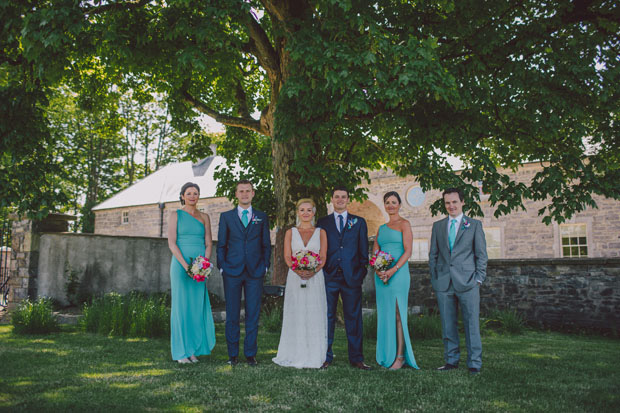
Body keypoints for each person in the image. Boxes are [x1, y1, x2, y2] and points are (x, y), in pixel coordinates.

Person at [429, 187, 488, 375]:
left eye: (454, 202)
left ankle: (474, 363)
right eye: (447, 203)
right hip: (444, 283)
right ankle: (451, 360)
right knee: (447, 324)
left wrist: (479, 279)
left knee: (472, 324)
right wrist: (435, 278)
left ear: (462, 202)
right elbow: (433, 255)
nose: (451, 206)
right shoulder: (438, 226)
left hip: (468, 282)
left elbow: (481, 255)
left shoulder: (474, 225)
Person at [217, 179, 271, 366]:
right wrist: (222, 266)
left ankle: (250, 354)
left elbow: (266, 244)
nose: (245, 194)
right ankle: (232, 355)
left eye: (248, 191)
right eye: (241, 191)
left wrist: (265, 266)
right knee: (232, 314)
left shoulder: (261, 217)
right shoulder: (226, 217)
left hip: (255, 271)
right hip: (232, 271)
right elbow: (221, 244)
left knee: (253, 314)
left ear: (253, 193)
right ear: (236, 194)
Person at [317, 186, 371, 370]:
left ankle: (356, 358)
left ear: (348, 199)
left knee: (354, 318)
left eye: (343, 197)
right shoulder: (322, 222)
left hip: (351, 278)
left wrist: (360, 273)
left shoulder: (359, 222)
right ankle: (325, 356)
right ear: (331, 199)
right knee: (327, 318)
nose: (340, 200)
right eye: (336, 197)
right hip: (328, 276)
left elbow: (364, 252)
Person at [273, 198, 328, 368]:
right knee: (295, 312)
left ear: (313, 213)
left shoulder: (321, 232)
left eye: (309, 210)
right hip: (295, 278)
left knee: (314, 312)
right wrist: (298, 271)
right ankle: (293, 352)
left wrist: (312, 271)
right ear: (297, 212)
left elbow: (323, 257)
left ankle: (314, 353)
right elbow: (287, 256)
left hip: (315, 277)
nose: (305, 213)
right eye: (302, 210)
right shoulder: (291, 232)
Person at [167, 182, 216, 364]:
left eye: (196, 193)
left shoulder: (204, 217)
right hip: (181, 265)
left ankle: (192, 350)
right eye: (189, 193)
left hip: (200, 267)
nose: (192, 196)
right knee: (181, 308)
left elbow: (209, 242)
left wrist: (203, 264)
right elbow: (172, 243)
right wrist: (187, 266)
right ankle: (181, 352)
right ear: (182, 196)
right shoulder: (175, 215)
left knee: (196, 308)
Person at [373, 191, 420, 370]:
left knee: (399, 313)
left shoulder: (404, 224)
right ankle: (387, 354)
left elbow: (408, 251)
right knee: (386, 314)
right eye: (387, 202)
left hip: (398, 274)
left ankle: (400, 357)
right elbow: (375, 252)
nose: (390, 205)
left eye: (394, 202)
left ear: (399, 205)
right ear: (384, 206)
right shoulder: (381, 228)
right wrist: (378, 269)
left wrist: (392, 270)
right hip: (382, 276)